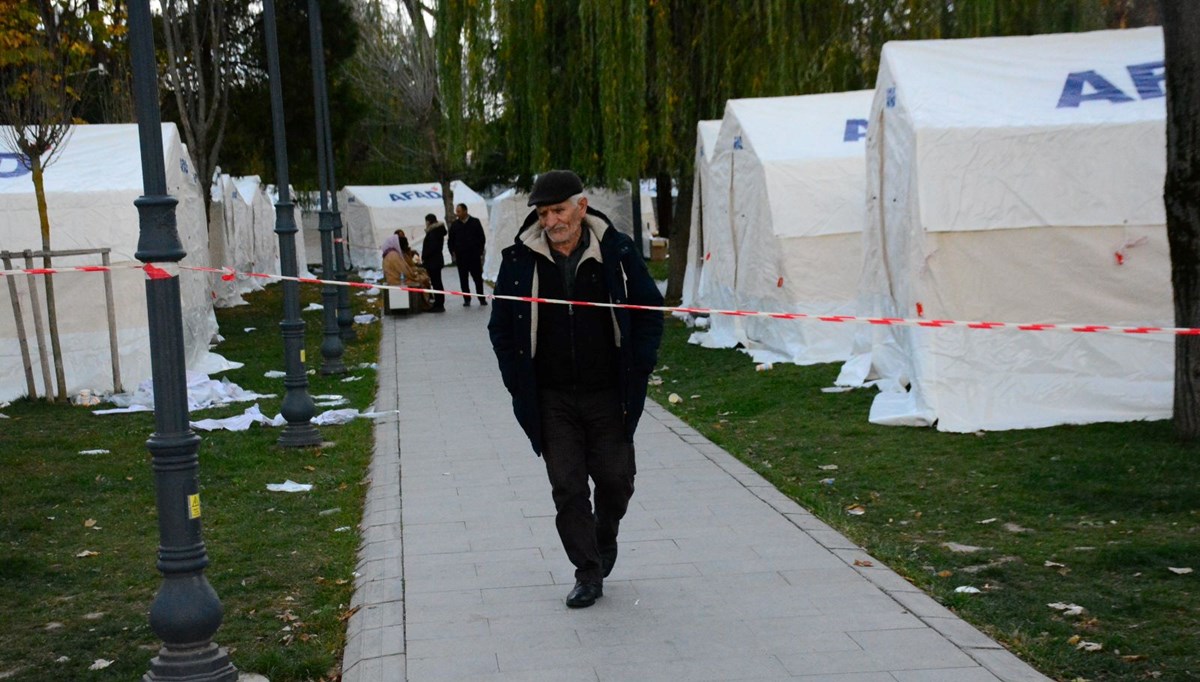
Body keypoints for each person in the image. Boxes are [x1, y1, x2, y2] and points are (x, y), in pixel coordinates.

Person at [488, 170, 664, 609]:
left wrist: (640, 365)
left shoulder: (617, 253)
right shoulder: (518, 260)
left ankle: (605, 535)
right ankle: (587, 572)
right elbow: (501, 330)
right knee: (567, 486)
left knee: (614, 481)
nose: (550, 221)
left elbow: (650, 311)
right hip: (552, 398)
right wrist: (518, 382)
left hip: (609, 393)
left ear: (581, 207)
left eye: (558, 210)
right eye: (543, 213)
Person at [448, 202, 487, 306]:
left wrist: (479, 251)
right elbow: (450, 240)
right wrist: (453, 252)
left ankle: (481, 298)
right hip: (461, 257)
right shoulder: (455, 225)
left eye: (459, 211)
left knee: (478, 279)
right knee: (463, 279)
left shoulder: (475, 222)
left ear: (465, 211)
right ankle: (466, 299)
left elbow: (481, 238)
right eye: (456, 211)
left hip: (474, 256)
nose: (457, 214)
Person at [381, 232, 431, 312]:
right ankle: (423, 304)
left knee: (422, 276)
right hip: (397, 280)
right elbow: (404, 271)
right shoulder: (393, 255)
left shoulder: (391, 254)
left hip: (395, 278)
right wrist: (414, 275)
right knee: (422, 279)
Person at [421, 213, 447, 312]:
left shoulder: (433, 232)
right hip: (436, 260)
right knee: (437, 282)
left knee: (436, 283)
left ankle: (439, 304)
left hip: (433, 261)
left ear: (428, 221)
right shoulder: (437, 231)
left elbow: (431, 248)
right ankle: (438, 302)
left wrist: (425, 257)